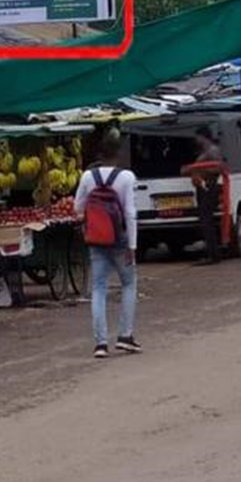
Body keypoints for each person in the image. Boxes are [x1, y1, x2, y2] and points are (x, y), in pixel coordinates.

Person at [74, 132, 140, 358]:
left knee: (98, 288)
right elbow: (130, 213)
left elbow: (77, 208)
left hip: (96, 239)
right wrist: (133, 245)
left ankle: (100, 344)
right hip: (121, 239)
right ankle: (125, 336)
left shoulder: (87, 177)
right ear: (119, 153)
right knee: (128, 284)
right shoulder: (126, 177)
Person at [182, 125, 225, 265]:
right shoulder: (206, 151)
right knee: (205, 221)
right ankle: (212, 253)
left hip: (209, 187)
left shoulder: (212, 151)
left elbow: (219, 168)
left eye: (197, 137)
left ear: (202, 137)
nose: (196, 140)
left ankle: (213, 255)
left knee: (207, 221)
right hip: (203, 186)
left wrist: (197, 169)